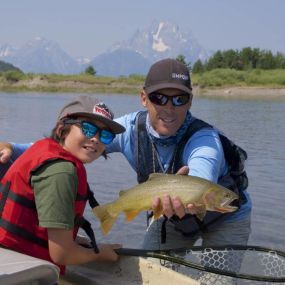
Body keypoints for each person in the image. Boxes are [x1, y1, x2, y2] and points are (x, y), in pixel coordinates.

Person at [0, 58, 251, 252]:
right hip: (170, 215)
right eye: (159, 97)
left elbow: (201, 175)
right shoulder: (128, 129)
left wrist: (191, 192)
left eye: (179, 99)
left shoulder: (205, 139)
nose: (169, 108)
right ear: (144, 98)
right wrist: (12, 147)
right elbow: (67, 146)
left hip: (227, 220)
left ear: (190, 102)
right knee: (151, 271)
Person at [0, 95, 126, 275]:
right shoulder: (61, 172)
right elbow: (62, 254)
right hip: (23, 274)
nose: (96, 139)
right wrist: (98, 254)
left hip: (11, 260)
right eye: (88, 129)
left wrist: (72, 239)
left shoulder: (46, 152)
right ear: (62, 129)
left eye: (105, 135)